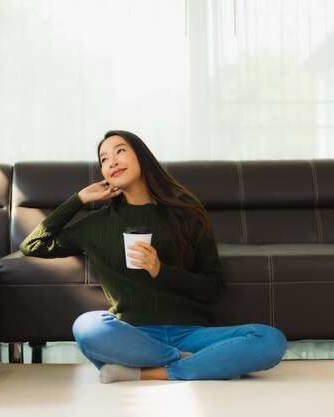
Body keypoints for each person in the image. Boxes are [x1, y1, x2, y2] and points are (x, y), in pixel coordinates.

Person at [20, 130, 287, 383]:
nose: (111, 162)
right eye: (104, 159)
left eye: (120, 151)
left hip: (191, 333)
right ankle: (195, 363)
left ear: (142, 157)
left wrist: (161, 270)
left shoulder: (186, 214)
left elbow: (213, 288)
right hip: (133, 335)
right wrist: (78, 199)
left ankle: (147, 373)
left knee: (270, 339)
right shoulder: (95, 225)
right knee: (87, 326)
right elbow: (33, 245)